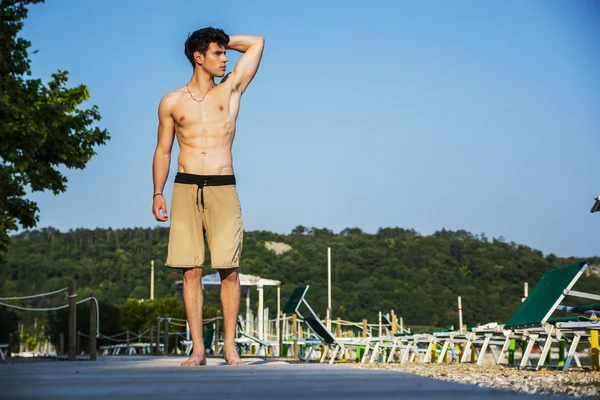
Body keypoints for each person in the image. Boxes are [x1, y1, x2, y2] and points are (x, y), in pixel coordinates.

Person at [151, 27, 264, 366]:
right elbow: (162, 150)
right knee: (191, 270)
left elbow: (257, 43)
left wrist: (221, 39)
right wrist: (157, 192)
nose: (226, 58)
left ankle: (230, 348)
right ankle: (198, 349)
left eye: (225, 52)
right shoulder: (172, 101)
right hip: (185, 186)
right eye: (217, 53)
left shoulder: (230, 90)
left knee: (229, 268)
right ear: (198, 58)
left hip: (222, 185)